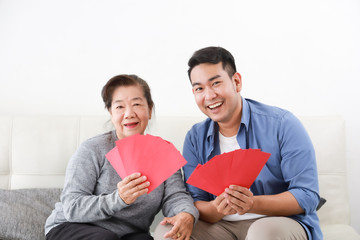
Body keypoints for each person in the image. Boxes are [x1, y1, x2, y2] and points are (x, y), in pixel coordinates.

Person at [182, 46, 322, 240]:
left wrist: (253, 203)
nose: (209, 96)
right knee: (170, 234)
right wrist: (216, 209)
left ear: (236, 82)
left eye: (216, 83)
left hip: (278, 222)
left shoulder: (282, 124)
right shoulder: (194, 138)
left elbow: (307, 195)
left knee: (262, 234)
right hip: (221, 226)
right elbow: (195, 202)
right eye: (199, 88)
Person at [45, 74, 199, 240]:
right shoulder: (92, 149)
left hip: (128, 234)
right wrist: (118, 199)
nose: (129, 113)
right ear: (111, 113)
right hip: (72, 227)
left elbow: (175, 197)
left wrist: (186, 214)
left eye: (137, 104)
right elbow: (72, 207)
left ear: (150, 109)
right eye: (119, 107)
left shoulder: (163, 152)